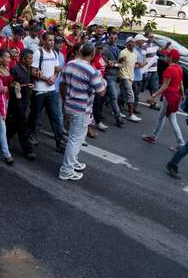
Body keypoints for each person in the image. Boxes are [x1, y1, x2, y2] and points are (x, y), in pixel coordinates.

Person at [58, 43, 106, 181]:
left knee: (79, 136)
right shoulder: (92, 71)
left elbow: (62, 84)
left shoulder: (70, 64)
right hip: (81, 108)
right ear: (92, 55)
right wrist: (104, 83)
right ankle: (66, 170)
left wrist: (65, 99)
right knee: (75, 138)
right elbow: (101, 92)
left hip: (71, 104)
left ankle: (72, 162)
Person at [28, 33, 66, 152]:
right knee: (35, 115)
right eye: (49, 40)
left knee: (55, 116)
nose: (52, 42)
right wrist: (46, 79)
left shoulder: (54, 53)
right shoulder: (38, 53)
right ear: (43, 41)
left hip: (52, 91)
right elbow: (33, 71)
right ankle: (30, 135)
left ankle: (59, 141)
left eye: (53, 40)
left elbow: (57, 69)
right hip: (39, 90)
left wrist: (54, 76)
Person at [143, 49, 185, 151]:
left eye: (167, 56)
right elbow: (181, 84)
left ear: (171, 58)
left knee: (172, 120)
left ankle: (181, 143)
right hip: (176, 96)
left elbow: (165, 86)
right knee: (161, 117)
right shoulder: (179, 68)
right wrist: (182, 94)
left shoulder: (169, 70)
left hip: (169, 97)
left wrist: (154, 95)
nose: (165, 57)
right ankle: (153, 136)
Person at [7, 49, 36, 160]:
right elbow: (11, 84)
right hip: (17, 102)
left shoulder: (28, 69)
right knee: (23, 125)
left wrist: (31, 85)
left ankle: (5, 137)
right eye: (30, 59)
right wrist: (24, 85)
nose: (31, 60)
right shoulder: (15, 69)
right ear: (23, 59)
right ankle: (28, 149)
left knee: (14, 124)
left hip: (25, 102)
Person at [102, 33, 125, 127]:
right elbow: (107, 63)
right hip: (108, 75)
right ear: (108, 38)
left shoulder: (117, 49)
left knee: (105, 96)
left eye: (115, 38)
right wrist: (117, 64)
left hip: (115, 75)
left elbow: (122, 63)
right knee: (114, 96)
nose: (113, 40)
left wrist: (115, 64)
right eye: (111, 38)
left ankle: (98, 112)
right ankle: (118, 117)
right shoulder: (105, 48)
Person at [117, 37, 141, 122]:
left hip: (131, 76)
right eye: (131, 42)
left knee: (122, 94)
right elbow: (120, 63)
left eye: (134, 42)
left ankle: (117, 110)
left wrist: (138, 64)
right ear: (127, 43)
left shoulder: (134, 53)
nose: (133, 44)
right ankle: (131, 115)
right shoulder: (123, 52)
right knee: (131, 94)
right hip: (124, 75)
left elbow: (132, 64)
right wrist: (121, 73)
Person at [141, 31, 160, 109]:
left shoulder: (155, 45)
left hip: (154, 70)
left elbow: (162, 50)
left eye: (153, 36)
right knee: (141, 87)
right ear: (146, 37)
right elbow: (143, 57)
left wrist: (167, 45)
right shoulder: (144, 46)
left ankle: (153, 103)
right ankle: (126, 100)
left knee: (154, 87)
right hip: (146, 70)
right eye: (150, 36)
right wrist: (144, 68)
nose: (152, 38)